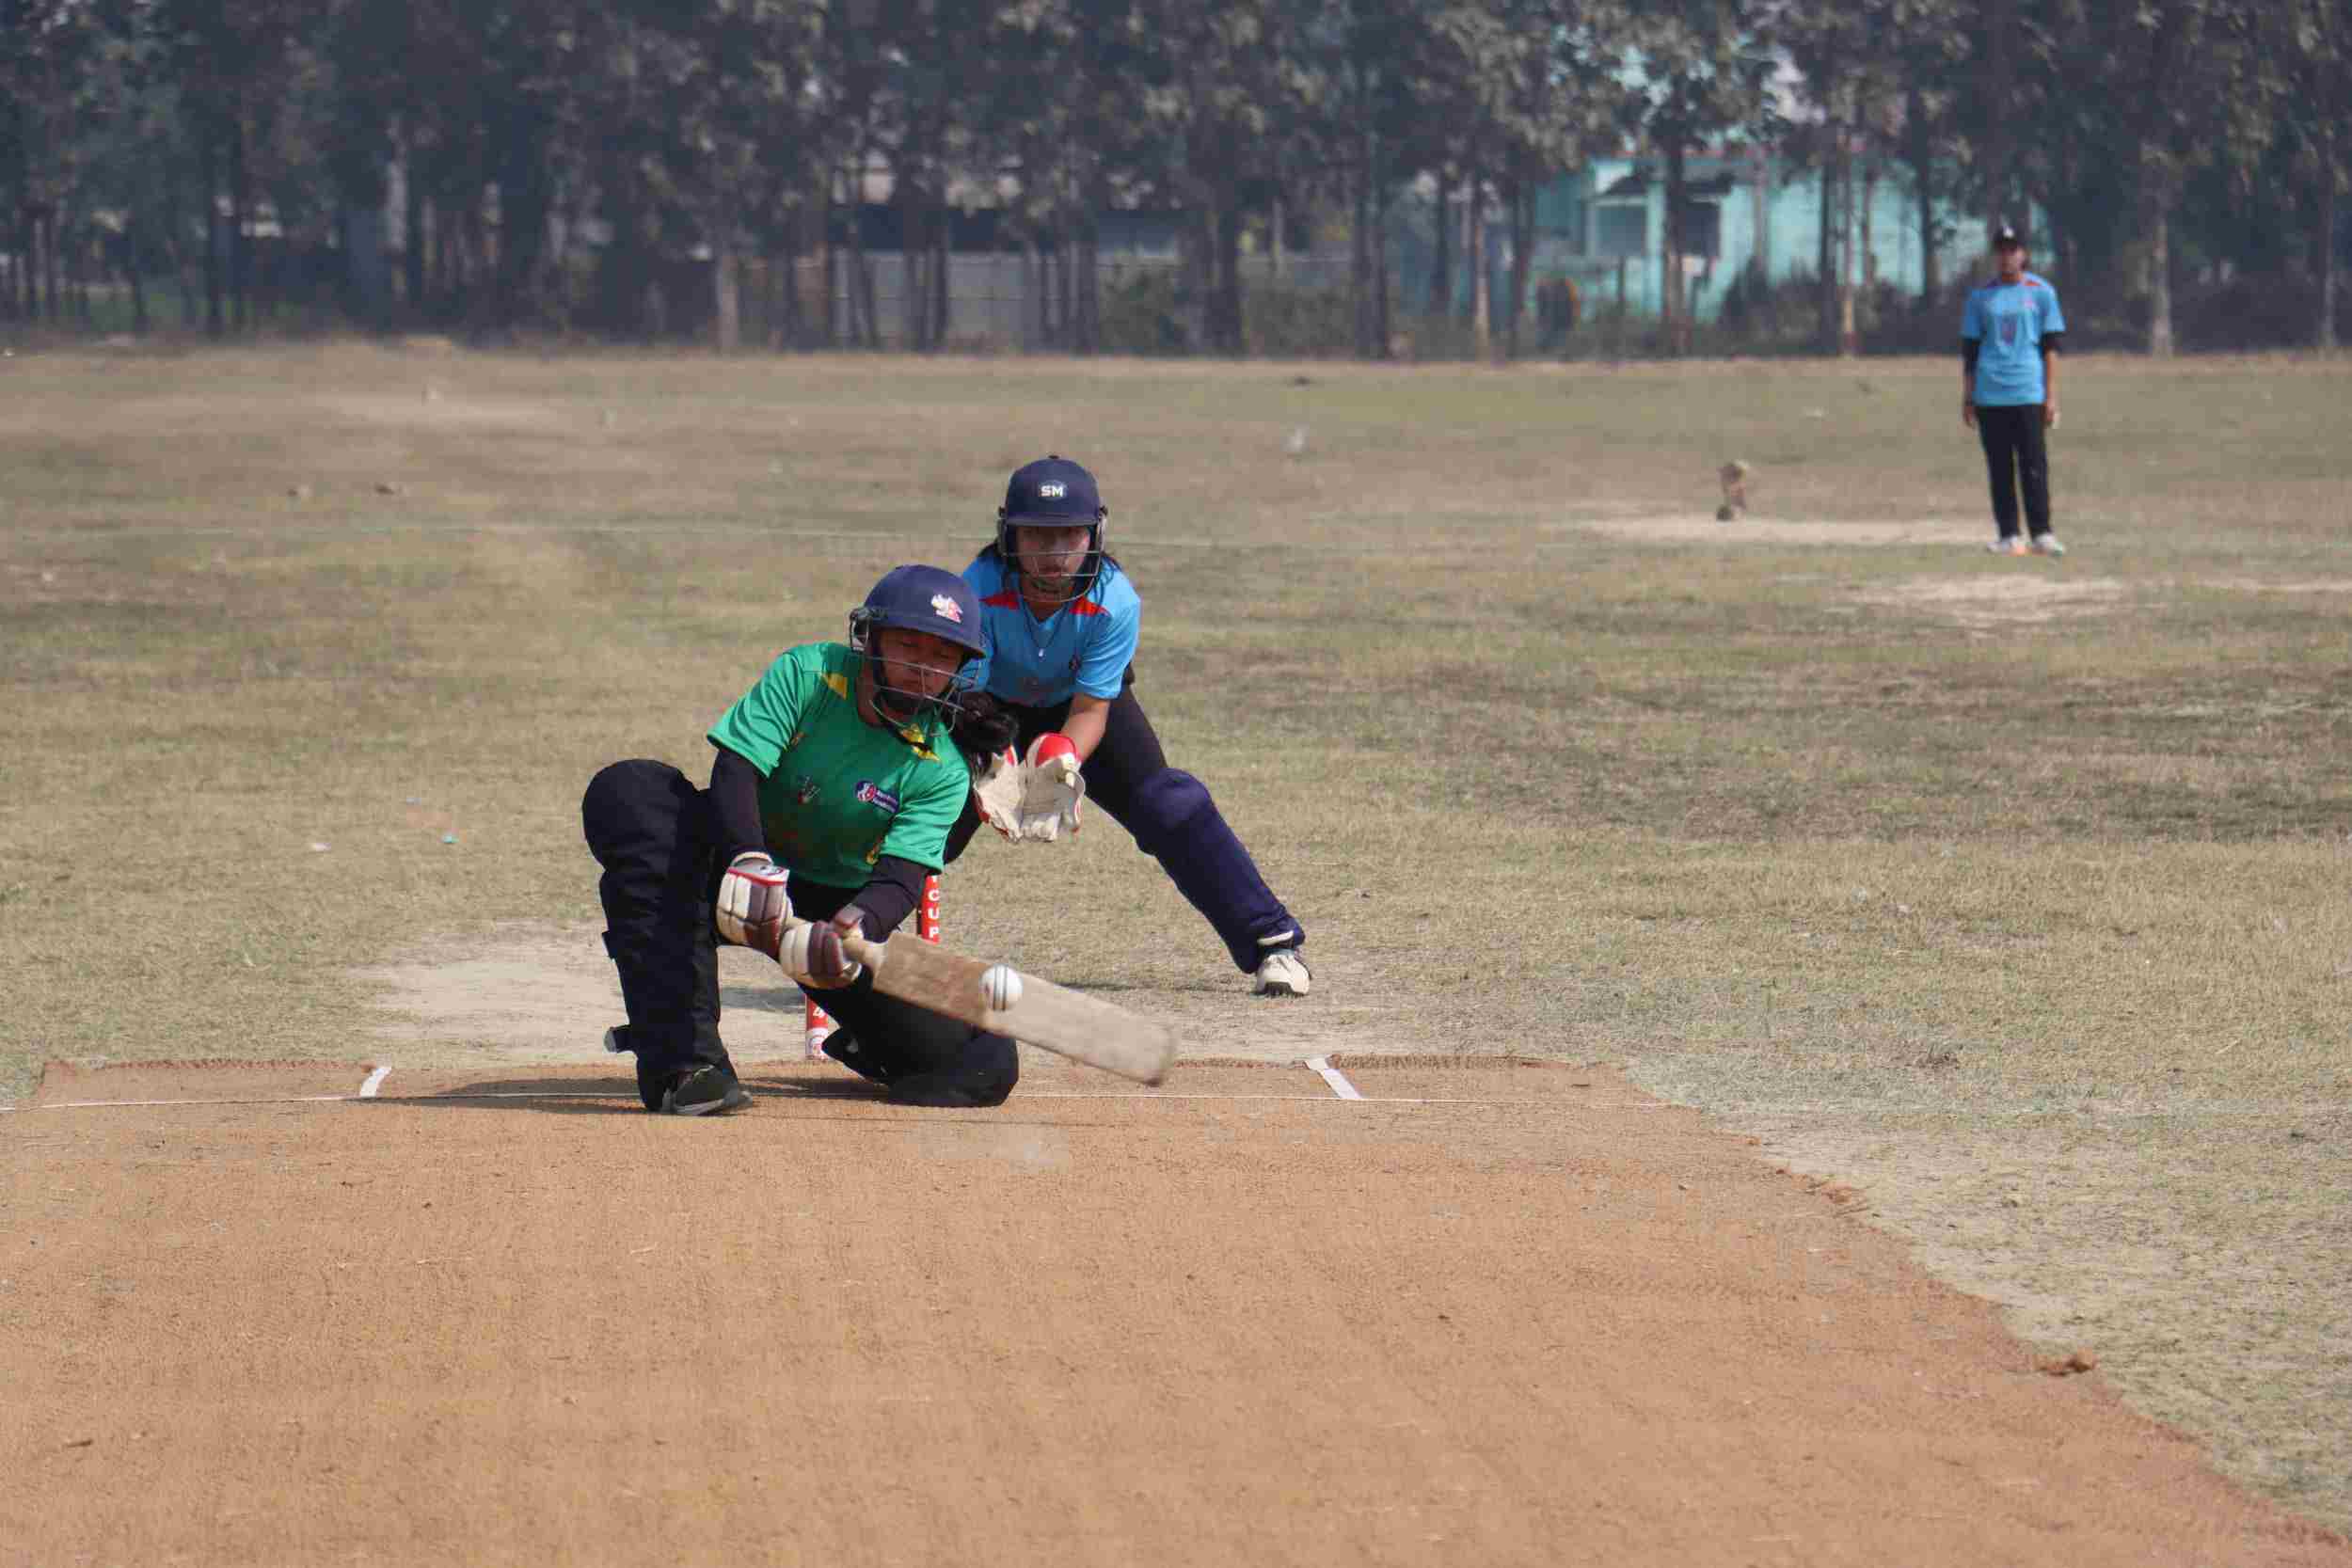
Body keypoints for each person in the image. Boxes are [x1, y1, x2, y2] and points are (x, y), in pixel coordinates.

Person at [580, 564, 1021, 1115]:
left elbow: (901, 878)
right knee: (632, 791)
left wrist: (852, 928)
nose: (921, 668)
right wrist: (749, 859)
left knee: (987, 1060)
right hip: (732, 857)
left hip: (831, 904)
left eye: (941, 657)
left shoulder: (944, 768)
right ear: (870, 640)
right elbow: (737, 768)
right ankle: (687, 1066)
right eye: (907, 644)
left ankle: (872, 1041)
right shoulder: (808, 673)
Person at [946, 454, 1312, 998]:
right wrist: (992, 765)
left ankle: (1272, 944)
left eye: (1069, 535)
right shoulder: (974, 589)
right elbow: (967, 696)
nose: (1052, 554)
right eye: (1037, 536)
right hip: (989, 709)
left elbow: (1093, 709)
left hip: (1081, 706)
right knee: (932, 801)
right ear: (1009, 535)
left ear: (1095, 533)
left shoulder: (1115, 601)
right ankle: (854, 929)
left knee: (1169, 805)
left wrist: (1059, 757)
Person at [1962, 222, 2067, 557]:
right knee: (1999, 466)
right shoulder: (1981, 298)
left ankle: (2042, 533)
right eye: (2001, 251)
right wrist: (1968, 396)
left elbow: (2051, 347)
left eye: (2013, 250)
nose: (2007, 257)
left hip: (2028, 391)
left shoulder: (2041, 293)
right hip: (1991, 393)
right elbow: (1971, 351)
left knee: (2034, 463)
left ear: (2024, 254)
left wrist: (2051, 396)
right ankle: (2009, 534)